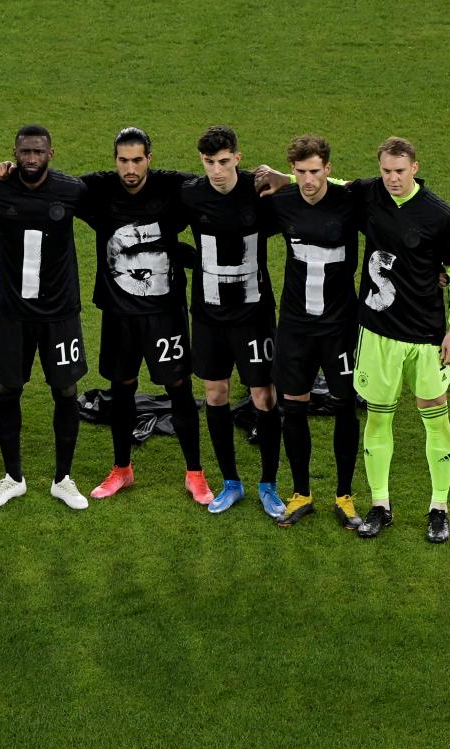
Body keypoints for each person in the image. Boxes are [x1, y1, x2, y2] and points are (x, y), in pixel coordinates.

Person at [77, 127, 213, 505]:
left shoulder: (173, 187)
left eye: (138, 160)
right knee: (121, 390)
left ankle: (195, 474)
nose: (131, 169)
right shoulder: (100, 188)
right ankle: (122, 469)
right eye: (123, 160)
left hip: (164, 313)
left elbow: (219, 187)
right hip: (119, 314)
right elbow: (54, 187)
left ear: (149, 159)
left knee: (179, 389)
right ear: (115, 160)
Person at [349, 137, 450, 543]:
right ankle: (380, 505)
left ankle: (439, 507)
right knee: (379, 418)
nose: (392, 178)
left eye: (399, 171)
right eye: (386, 171)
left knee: (434, 415)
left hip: (426, 336)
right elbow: (325, 183)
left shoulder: (439, 215)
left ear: (415, 167)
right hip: (378, 333)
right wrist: (285, 177)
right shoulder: (369, 194)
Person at [0, 124, 91, 510]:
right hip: (12, 314)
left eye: (38, 152)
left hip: (60, 314)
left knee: (66, 390)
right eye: (24, 152)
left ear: (51, 154)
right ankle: (13, 478)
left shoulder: (72, 190)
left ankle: (63, 479)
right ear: (15, 152)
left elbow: (109, 214)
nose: (31, 159)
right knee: (7, 389)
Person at [179, 125, 284, 518]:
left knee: (264, 397)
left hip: (254, 316)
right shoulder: (190, 193)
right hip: (207, 316)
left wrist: (286, 178)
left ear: (238, 159)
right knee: (215, 394)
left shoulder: (260, 194)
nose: (217, 171)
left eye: (224, 162)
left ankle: (269, 485)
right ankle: (231, 483)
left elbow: (311, 202)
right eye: (209, 163)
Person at [260, 134, 363, 529]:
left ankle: (345, 495)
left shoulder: (350, 202)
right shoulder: (282, 204)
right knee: (294, 406)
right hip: (296, 327)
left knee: (343, 405)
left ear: (329, 170)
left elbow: (394, 218)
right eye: (300, 172)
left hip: (339, 327)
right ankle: (301, 493)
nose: (307, 180)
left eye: (314, 171)